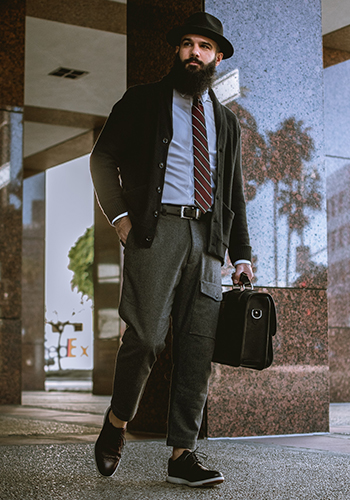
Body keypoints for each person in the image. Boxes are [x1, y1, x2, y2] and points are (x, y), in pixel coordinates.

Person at [90, 11, 253, 488]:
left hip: (208, 241)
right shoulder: (141, 102)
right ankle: (117, 423)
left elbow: (233, 193)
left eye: (204, 47)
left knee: (198, 348)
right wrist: (120, 218)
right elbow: (102, 158)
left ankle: (184, 452)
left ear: (217, 57)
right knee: (144, 338)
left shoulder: (226, 122)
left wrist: (240, 255)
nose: (194, 53)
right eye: (187, 44)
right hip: (155, 232)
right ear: (177, 51)